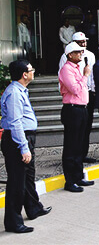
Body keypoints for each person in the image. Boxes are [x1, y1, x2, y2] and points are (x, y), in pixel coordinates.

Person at [1, 60, 51, 233]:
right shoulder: (14, 93)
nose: (33, 72)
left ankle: (33, 207)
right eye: (31, 70)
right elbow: (15, 123)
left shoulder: (20, 90)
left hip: (24, 137)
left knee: (28, 177)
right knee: (17, 182)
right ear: (24, 74)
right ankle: (13, 223)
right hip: (17, 140)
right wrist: (23, 147)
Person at [59, 42, 96, 193]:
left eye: (81, 52)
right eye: (78, 52)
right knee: (71, 145)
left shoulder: (77, 68)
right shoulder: (66, 69)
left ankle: (78, 175)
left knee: (79, 144)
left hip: (81, 109)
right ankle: (70, 180)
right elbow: (75, 89)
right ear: (70, 55)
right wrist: (86, 75)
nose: (81, 54)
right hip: (72, 109)